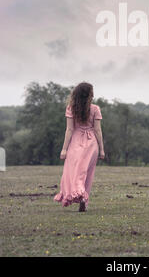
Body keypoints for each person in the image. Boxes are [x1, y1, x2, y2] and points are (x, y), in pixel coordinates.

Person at [54, 82, 105, 211]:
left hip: (76, 142)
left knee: (74, 171)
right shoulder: (95, 109)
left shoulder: (71, 108)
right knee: (87, 173)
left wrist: (64, 149)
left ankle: (78, 194)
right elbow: (98, 131)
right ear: (87, 95)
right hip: (91, 144)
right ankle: (83, 198)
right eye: (91, 93)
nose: (93, 95)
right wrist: (102, 149)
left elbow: (69, 130)